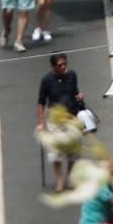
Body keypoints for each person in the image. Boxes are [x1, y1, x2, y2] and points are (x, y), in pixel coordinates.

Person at [35, 49, 85, 189]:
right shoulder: (46, 80)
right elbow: (41, 102)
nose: (63, 67)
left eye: (64, 64)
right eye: (60, 65)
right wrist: (40, 123)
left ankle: (68, 177)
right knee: (55, 151)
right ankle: (59, 179)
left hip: (71, 117)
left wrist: (80, 96)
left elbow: (75, 92)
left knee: (73, 151)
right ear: (53, 66)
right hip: (55, 120)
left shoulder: (72, 75)